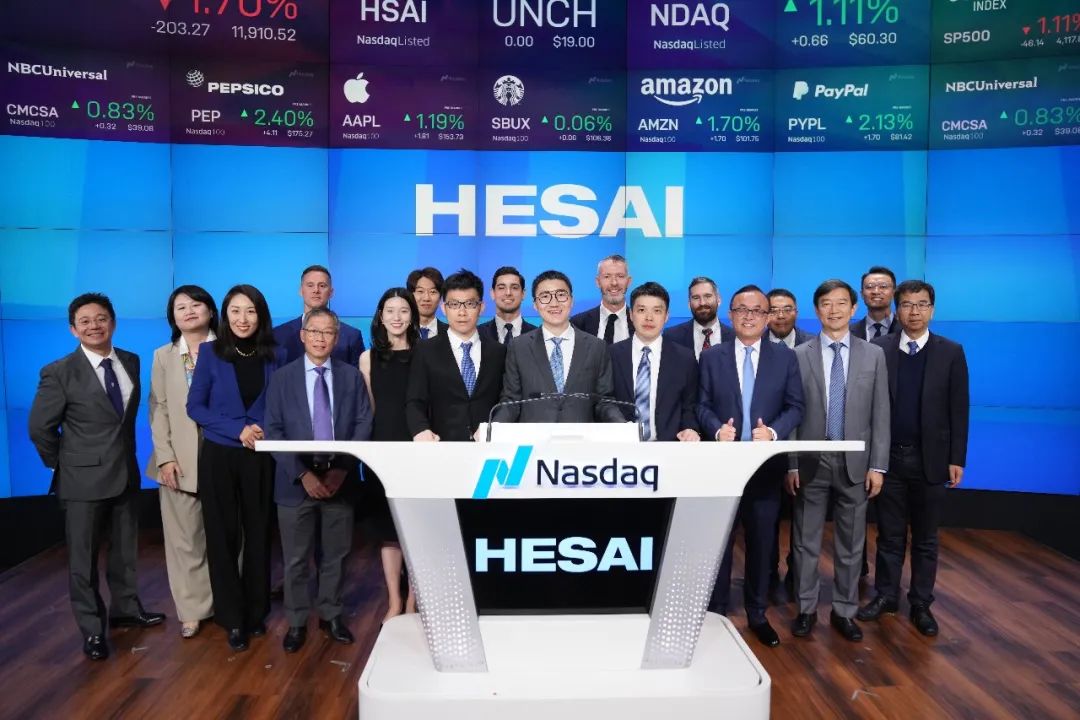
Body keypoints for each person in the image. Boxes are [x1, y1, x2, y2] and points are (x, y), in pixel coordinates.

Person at [28, 293, 165, 661]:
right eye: (85, 321)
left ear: (113, 323)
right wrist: (64, 465)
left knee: (125, 551)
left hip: (125, 474)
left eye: (101, 318)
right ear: (73, 330)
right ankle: (91, 630)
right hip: (81, 482)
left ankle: (126, 610)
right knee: (83, 560)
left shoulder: (131, 361)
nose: (94, 326)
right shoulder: (58, 372)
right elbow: (39, 428)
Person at [858, 280, 969, 637]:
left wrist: (957, 457)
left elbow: (959, 409)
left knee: (925, 538)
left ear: (932, 310)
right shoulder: (880, 349)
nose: (914, 312)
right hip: (889, 459)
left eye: (921, 305)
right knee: (889, 536)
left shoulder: (951, 352)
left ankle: (921, 603)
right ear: (897, 308)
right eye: (907, 304)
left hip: (931, 460)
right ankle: (886, 595)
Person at [697, 285, 804, 648]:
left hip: (763, 468)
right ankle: (716, 612)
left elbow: (795, 407)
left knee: (761, 542)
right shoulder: (712, 357)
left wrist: (772, 432)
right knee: (719, 542)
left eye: (757, 310)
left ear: (767, 317)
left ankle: (758, 613)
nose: (748, 316)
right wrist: (716, 429)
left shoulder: (785, 358)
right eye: (741, 310)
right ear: (730, 315)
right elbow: (701, 405)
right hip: (721, 467)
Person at [786, 280, 889, 642]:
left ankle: (845, 610)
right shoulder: (798, 354)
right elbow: (793, 413)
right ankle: (806, 609)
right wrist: (792, 463)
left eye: (842, 303)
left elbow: (881, 414)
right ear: (817, 310)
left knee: (852, 543)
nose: (834, 310)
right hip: (810, 460)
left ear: (853, 308)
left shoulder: (873, 355)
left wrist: (878, 466)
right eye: (827, 304)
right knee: (805, 541)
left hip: (856, 463)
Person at [265, 308, 373, 653]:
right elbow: (273, 430)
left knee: (336, 555)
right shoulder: (282, 378)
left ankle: (331, 614)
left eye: (328, 332)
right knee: (296, 559)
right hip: (295, 483)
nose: (320, 338)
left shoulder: (351, 377)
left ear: (336, 338)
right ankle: (297, 621)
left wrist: (342, 469)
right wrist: (303, 474)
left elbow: (363, 423)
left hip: (340, 479)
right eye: (314, 331)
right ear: (302, 335)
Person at [187, 284, 285, 652]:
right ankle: (231, 618)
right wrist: (237, 429)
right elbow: (195, 406)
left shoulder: (277, 354)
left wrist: (263, 428)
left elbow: (282, 404)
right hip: (220, 455)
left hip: (260, 454)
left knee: (259, 533)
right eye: (235, 311)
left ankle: (256, 613)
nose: (243, 319)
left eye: (250, 311)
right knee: (222, 536)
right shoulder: (210, 353)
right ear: (225, 315)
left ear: (261, 315)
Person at [146, 285, 218, 639]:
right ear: (172, 317)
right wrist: (165, 457)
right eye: (180, 307)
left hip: (225, 454)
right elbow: (158, 408)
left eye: (196, 304)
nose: (189, 311)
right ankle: (192, 610)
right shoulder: (163, 356)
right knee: (184, 540)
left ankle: (228, 602)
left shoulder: (230, 348)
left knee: (230, 535)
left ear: (210, 310)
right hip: (178, 460)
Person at [359, 288, 421, 623]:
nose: (397, 317)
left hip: (418, 451)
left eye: (403, 310)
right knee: (388, 530)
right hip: (382, 452)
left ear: (412, 316)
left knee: (416, 529)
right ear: (380, 317)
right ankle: (394, 601)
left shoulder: (427, 354)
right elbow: (370, 409)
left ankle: (413, 600)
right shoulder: (367, 358)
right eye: (390, 311)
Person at [494, 270, 624, 423]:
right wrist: (492, 427)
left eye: (561, 295)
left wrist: (622, 424)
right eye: (545, 297)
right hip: (534, 437)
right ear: (535, 305)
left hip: (580, 436)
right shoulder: (518, 347)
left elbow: (604, 401)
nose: (554, 303)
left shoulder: (596, 347)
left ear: (571, 300)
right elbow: (511, 402)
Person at [406, 270, 506, 442]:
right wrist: (420, 430)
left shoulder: (499, 351)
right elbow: (415, 401)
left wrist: (494, 428)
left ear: (481, 307)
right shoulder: (424, 350)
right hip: (440, 445)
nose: (462, 312)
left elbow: (505, 400)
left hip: (488, 446)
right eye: (454, 304)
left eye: (470, 304)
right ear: (444, 308)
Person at [764, 287, 813, 598]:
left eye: (787, 309)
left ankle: (798, 575)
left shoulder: (813, 345)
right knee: (766, 518)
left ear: (796, 311)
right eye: (774, 309)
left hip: (802, 444)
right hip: (763, 448)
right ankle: (767, 573)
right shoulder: (751, 343)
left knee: (803, 517)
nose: (781, 315)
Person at [609, 282, 700, 442]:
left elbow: (690, 405)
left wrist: (690, 429)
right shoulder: (611, 354)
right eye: (641, 310)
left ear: (666, 316)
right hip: (622, 444)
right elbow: (605, 401)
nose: (649, 318)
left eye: (657, 311)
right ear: (631, 315)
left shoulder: (684, 358)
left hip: (669, 446)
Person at [272, 264, 365, 365]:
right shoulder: (278, 334)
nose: (316, 290)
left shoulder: (351, 336)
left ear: (331, 292)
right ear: (301, 291)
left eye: (322, 286)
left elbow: (356, 374)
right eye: (310, 285)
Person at [666, 276, 736, 359]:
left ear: (719, 300)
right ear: (689, 303)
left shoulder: (736, 337)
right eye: (696, 298)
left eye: (708, 296)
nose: (702, 303)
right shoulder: (670, 337)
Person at [570, 254, 634, 344]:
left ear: (629, 281)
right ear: (598, 282)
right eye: (607, 276)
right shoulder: (577, 324)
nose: (614, 283)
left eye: (620, 276)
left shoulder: (640, 323)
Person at [478, 266, 537, 345]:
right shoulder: (477, 334)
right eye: (501, 288)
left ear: (523, 294)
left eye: (514, 288)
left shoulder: (538, 335)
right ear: (492, 293)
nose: (508, 293)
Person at [851, 266, 900, 340]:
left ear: (894, 293)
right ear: (862, 294)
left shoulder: (907, 329)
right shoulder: (848, 333)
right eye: (869, 287)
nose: (876, 292)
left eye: (883, 286)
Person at [407, 267, 448, 339]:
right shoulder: (401, 331)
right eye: (420, 291)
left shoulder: (451, 333)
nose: (426, 298)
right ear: (410, 295)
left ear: (440, 297)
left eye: (433, 292)